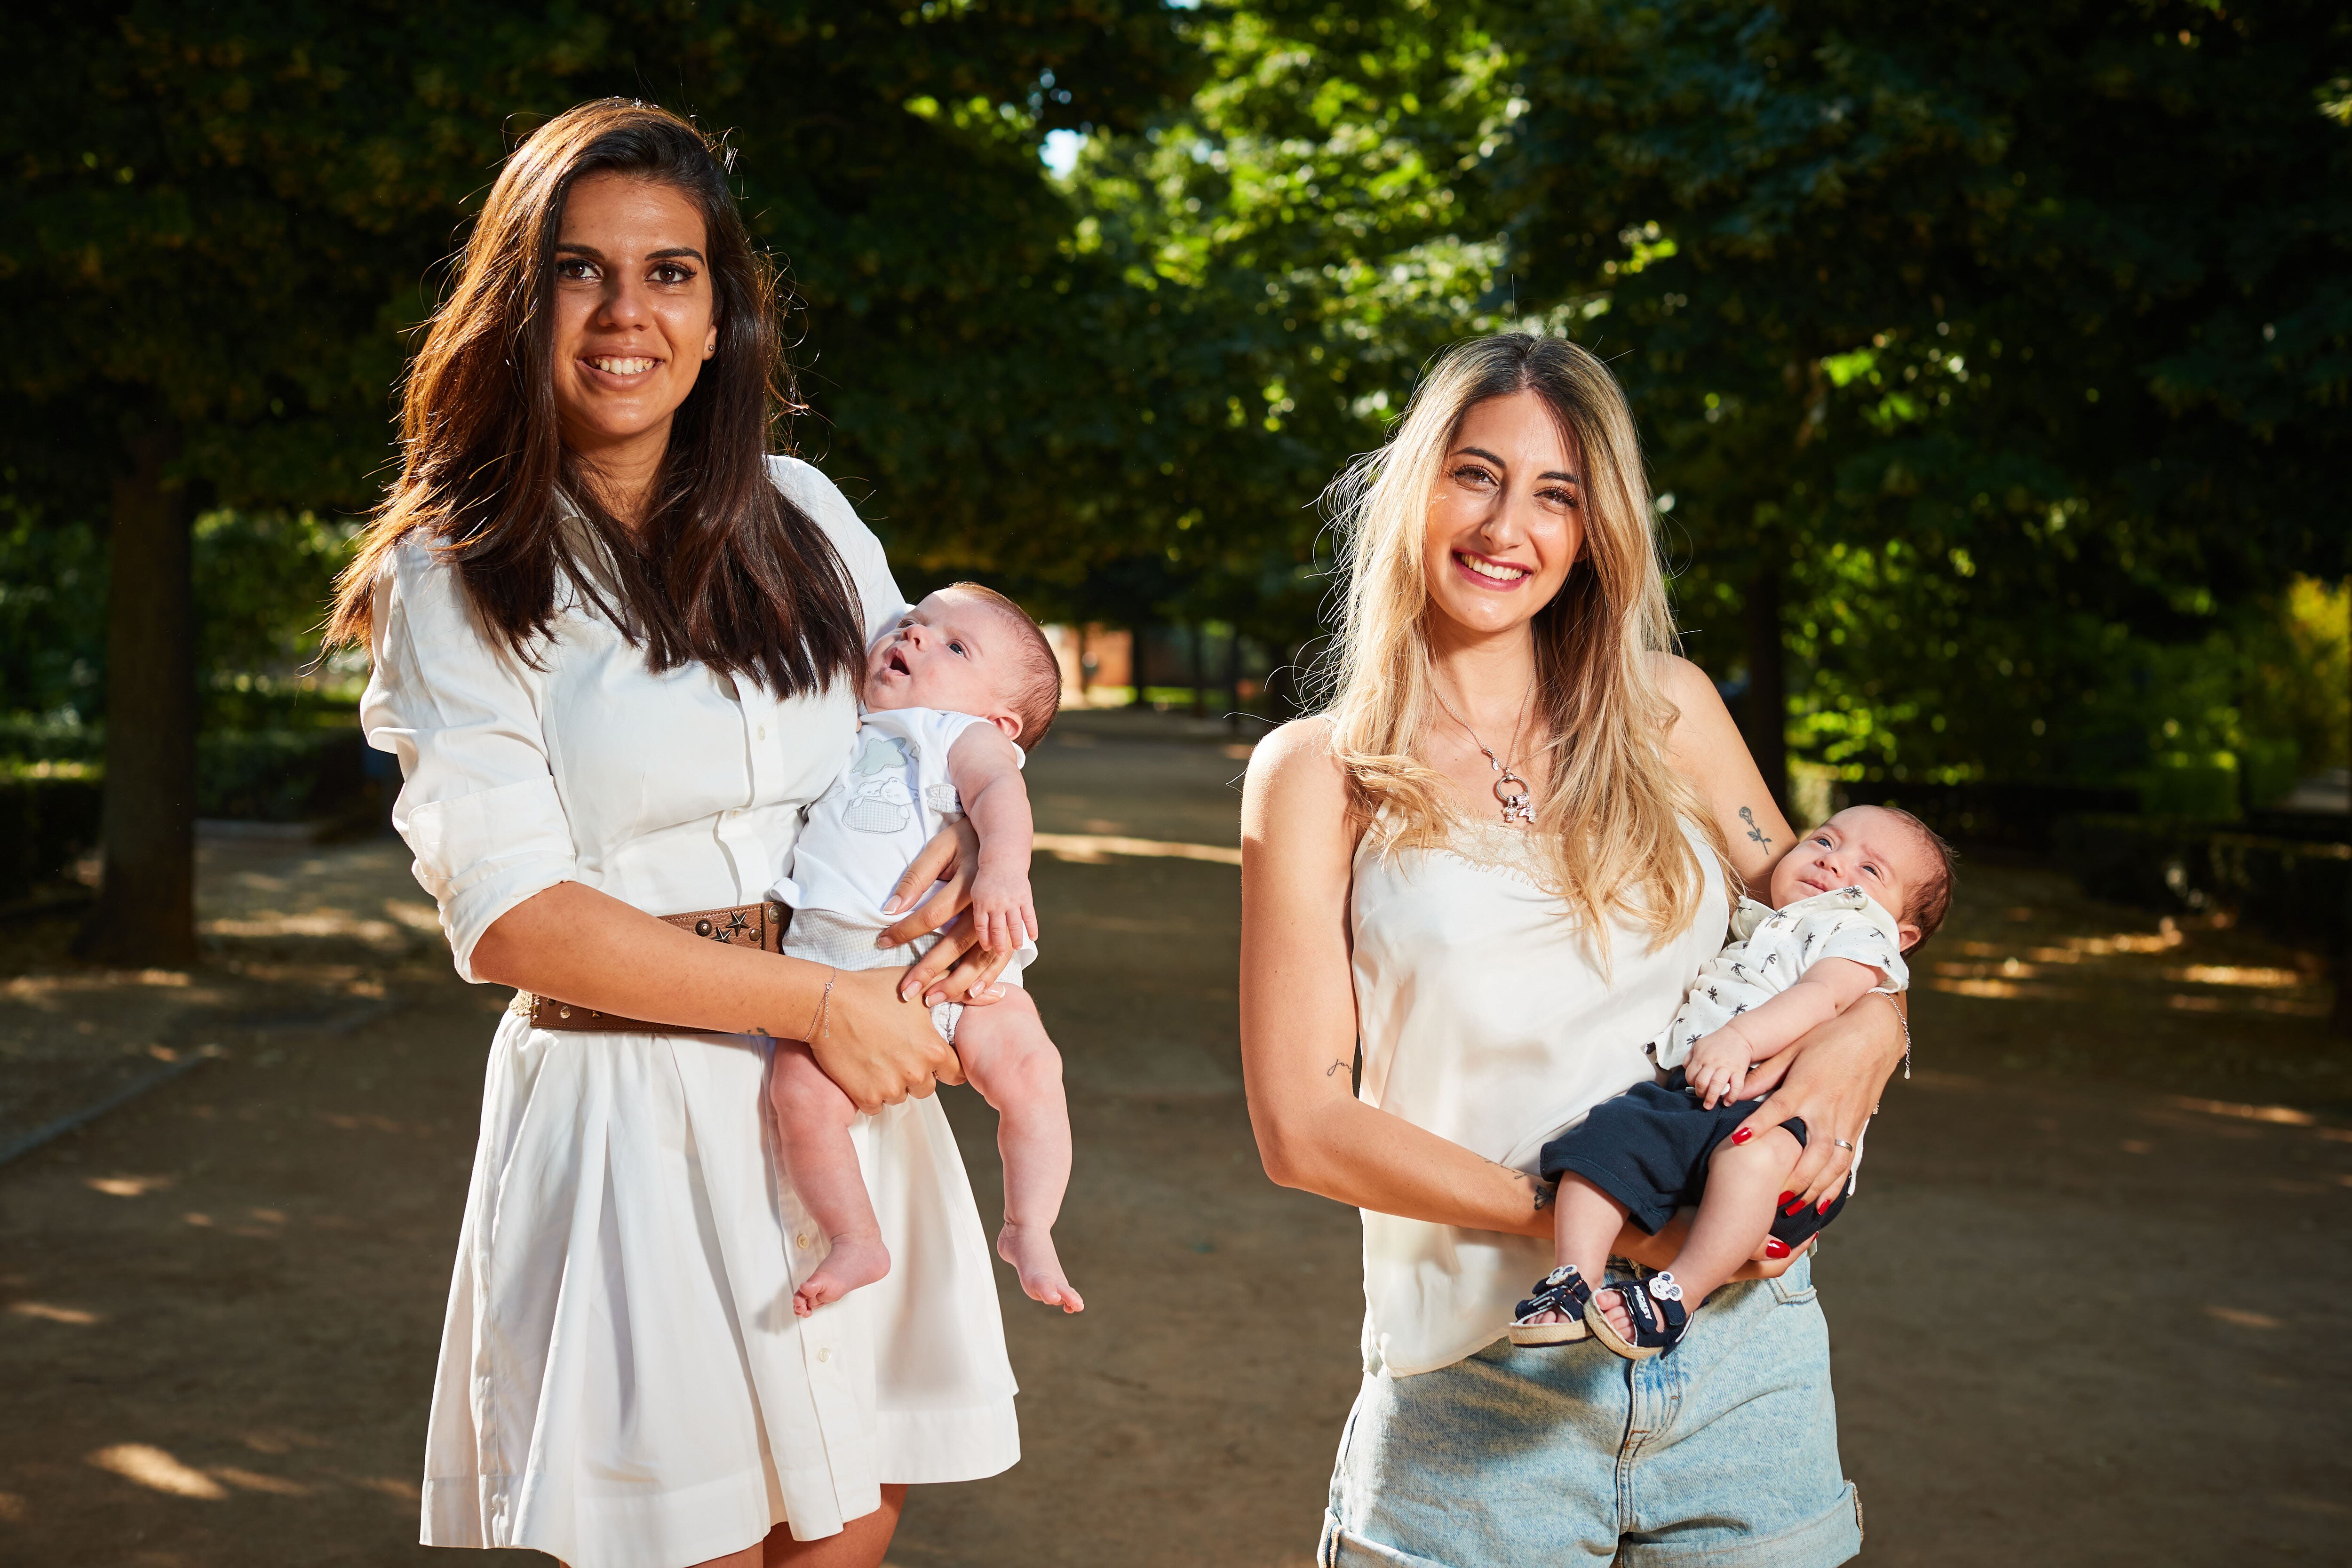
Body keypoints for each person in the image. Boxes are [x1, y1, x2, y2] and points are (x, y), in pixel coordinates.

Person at [330, 99, 1017, 1568]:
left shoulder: (805, 514)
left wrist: (967, 830)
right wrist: (822, 1001)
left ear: (722, 319)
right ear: (519, 308)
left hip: (840, 1099)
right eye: (579, 271)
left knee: (845, 1525)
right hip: (626, 1105)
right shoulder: (451, 573)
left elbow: (928, 720)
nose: (624, 313)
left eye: (670, 273)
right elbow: (514, 916)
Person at [1239, 332, 1908, 1568]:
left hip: (1742, 1364)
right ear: (1414, 487)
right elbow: (1302, 1126)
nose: (1510, 526)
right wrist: (1587, 1227)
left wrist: (1877, 1028)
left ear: (1597, 530)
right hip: (1476, 1386)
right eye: (1476, 472)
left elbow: (1833, 927)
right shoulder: (1316, 776)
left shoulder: (1673, 709)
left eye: (1558, 493)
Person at [1512, 805, 1955, 1359]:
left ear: (1903, 934)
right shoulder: (1757, 921)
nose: (1833, 864)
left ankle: (1677, 1295)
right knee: (1603, 1142)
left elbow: (1822, 996)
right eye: (1824, 840)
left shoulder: (1857, 935)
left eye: (1869, 872)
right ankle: (1572, 1279)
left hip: (1780, 1112)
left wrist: (1742, 1039)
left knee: (1750, 1162)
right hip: (1693, 1097)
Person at [768, 584, 1083, 1318]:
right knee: (800, 1095)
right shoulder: (843, 720)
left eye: (954, 646)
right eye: (912, 625)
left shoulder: (958, 734)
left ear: (999, 718)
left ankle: (1027, 1224)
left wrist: (1003, 869)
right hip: (831, 968)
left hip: (952, 967)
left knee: (1034, 1071)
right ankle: (854, 1237)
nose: (913, 638)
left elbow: (1001, 793)